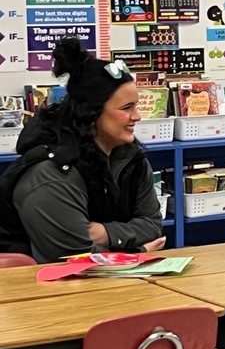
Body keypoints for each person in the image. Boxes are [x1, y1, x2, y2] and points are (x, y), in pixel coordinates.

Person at [0, 37, 165, 264]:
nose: (137, 116)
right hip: (39, 291)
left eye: (136, 106)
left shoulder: (129, 156)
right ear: (92, 112)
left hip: (113, 281)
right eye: (127, 108)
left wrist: (108, 234)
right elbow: (73, 260)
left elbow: (153, 225)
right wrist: (139, 252)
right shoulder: (50, 174)